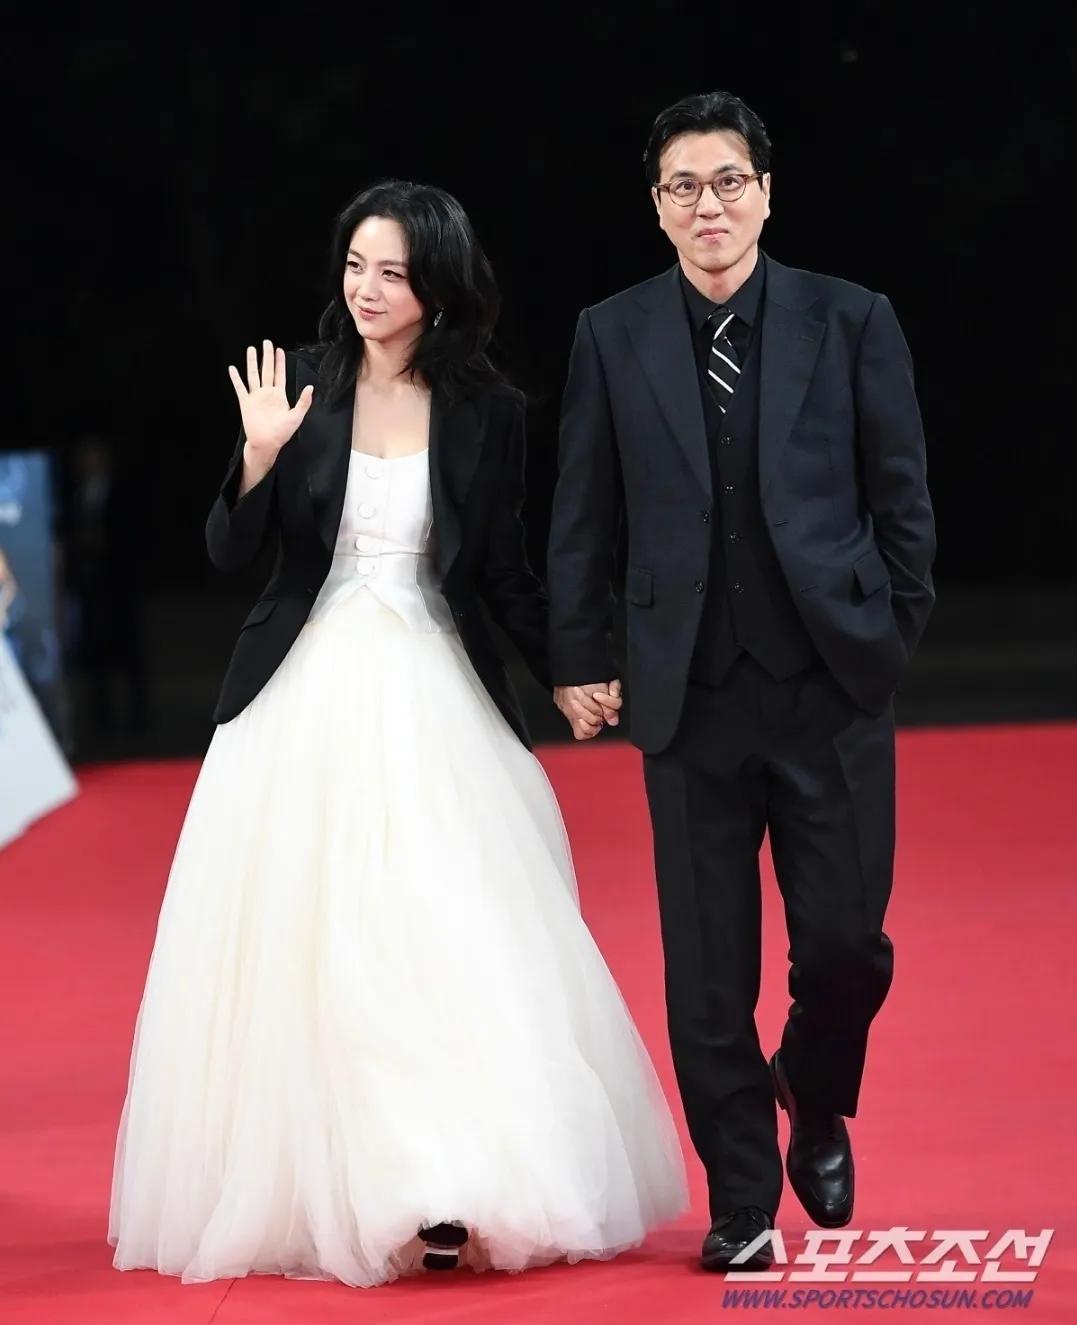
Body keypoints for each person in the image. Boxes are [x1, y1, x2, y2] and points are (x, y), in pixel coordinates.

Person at [108, 180, 686, 1287]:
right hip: (301, 698)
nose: (366, 290)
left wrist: (571, 670)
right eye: (354, 267)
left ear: (439, 289)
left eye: (393, 272)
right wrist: (259, 458)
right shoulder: (300, 384)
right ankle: (355, 1183)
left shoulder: (488, 411)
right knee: (318, 948)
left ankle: (446, 1179)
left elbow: (503, 571)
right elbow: (229, 554)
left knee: (443, 928)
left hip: (434, 692)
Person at [547, 91, 935, 1272]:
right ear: (657, 205)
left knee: (848, 945)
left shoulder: (851, 318)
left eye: (728, 181)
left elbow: (902, 497)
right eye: (684, 187)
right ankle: (742, 1198)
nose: (707, 205)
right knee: (708, 973)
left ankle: (813, 1082)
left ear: (766, 191)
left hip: (827, 684)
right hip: (689, 692)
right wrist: (580, 654)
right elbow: (582, 510)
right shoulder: (612, 333)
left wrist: (885, 637)